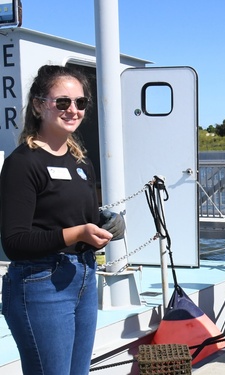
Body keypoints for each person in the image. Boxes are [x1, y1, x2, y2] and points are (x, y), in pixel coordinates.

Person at [0, 65, 115, 375]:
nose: (73, 110)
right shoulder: (23, 164)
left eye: (80, 103)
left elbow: (83, 220)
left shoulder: (81, 162)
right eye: (62, 102)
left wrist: (106, 225)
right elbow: (14, 243)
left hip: (84, 279)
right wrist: (77, 232)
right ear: (39, 105)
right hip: (41, 284)